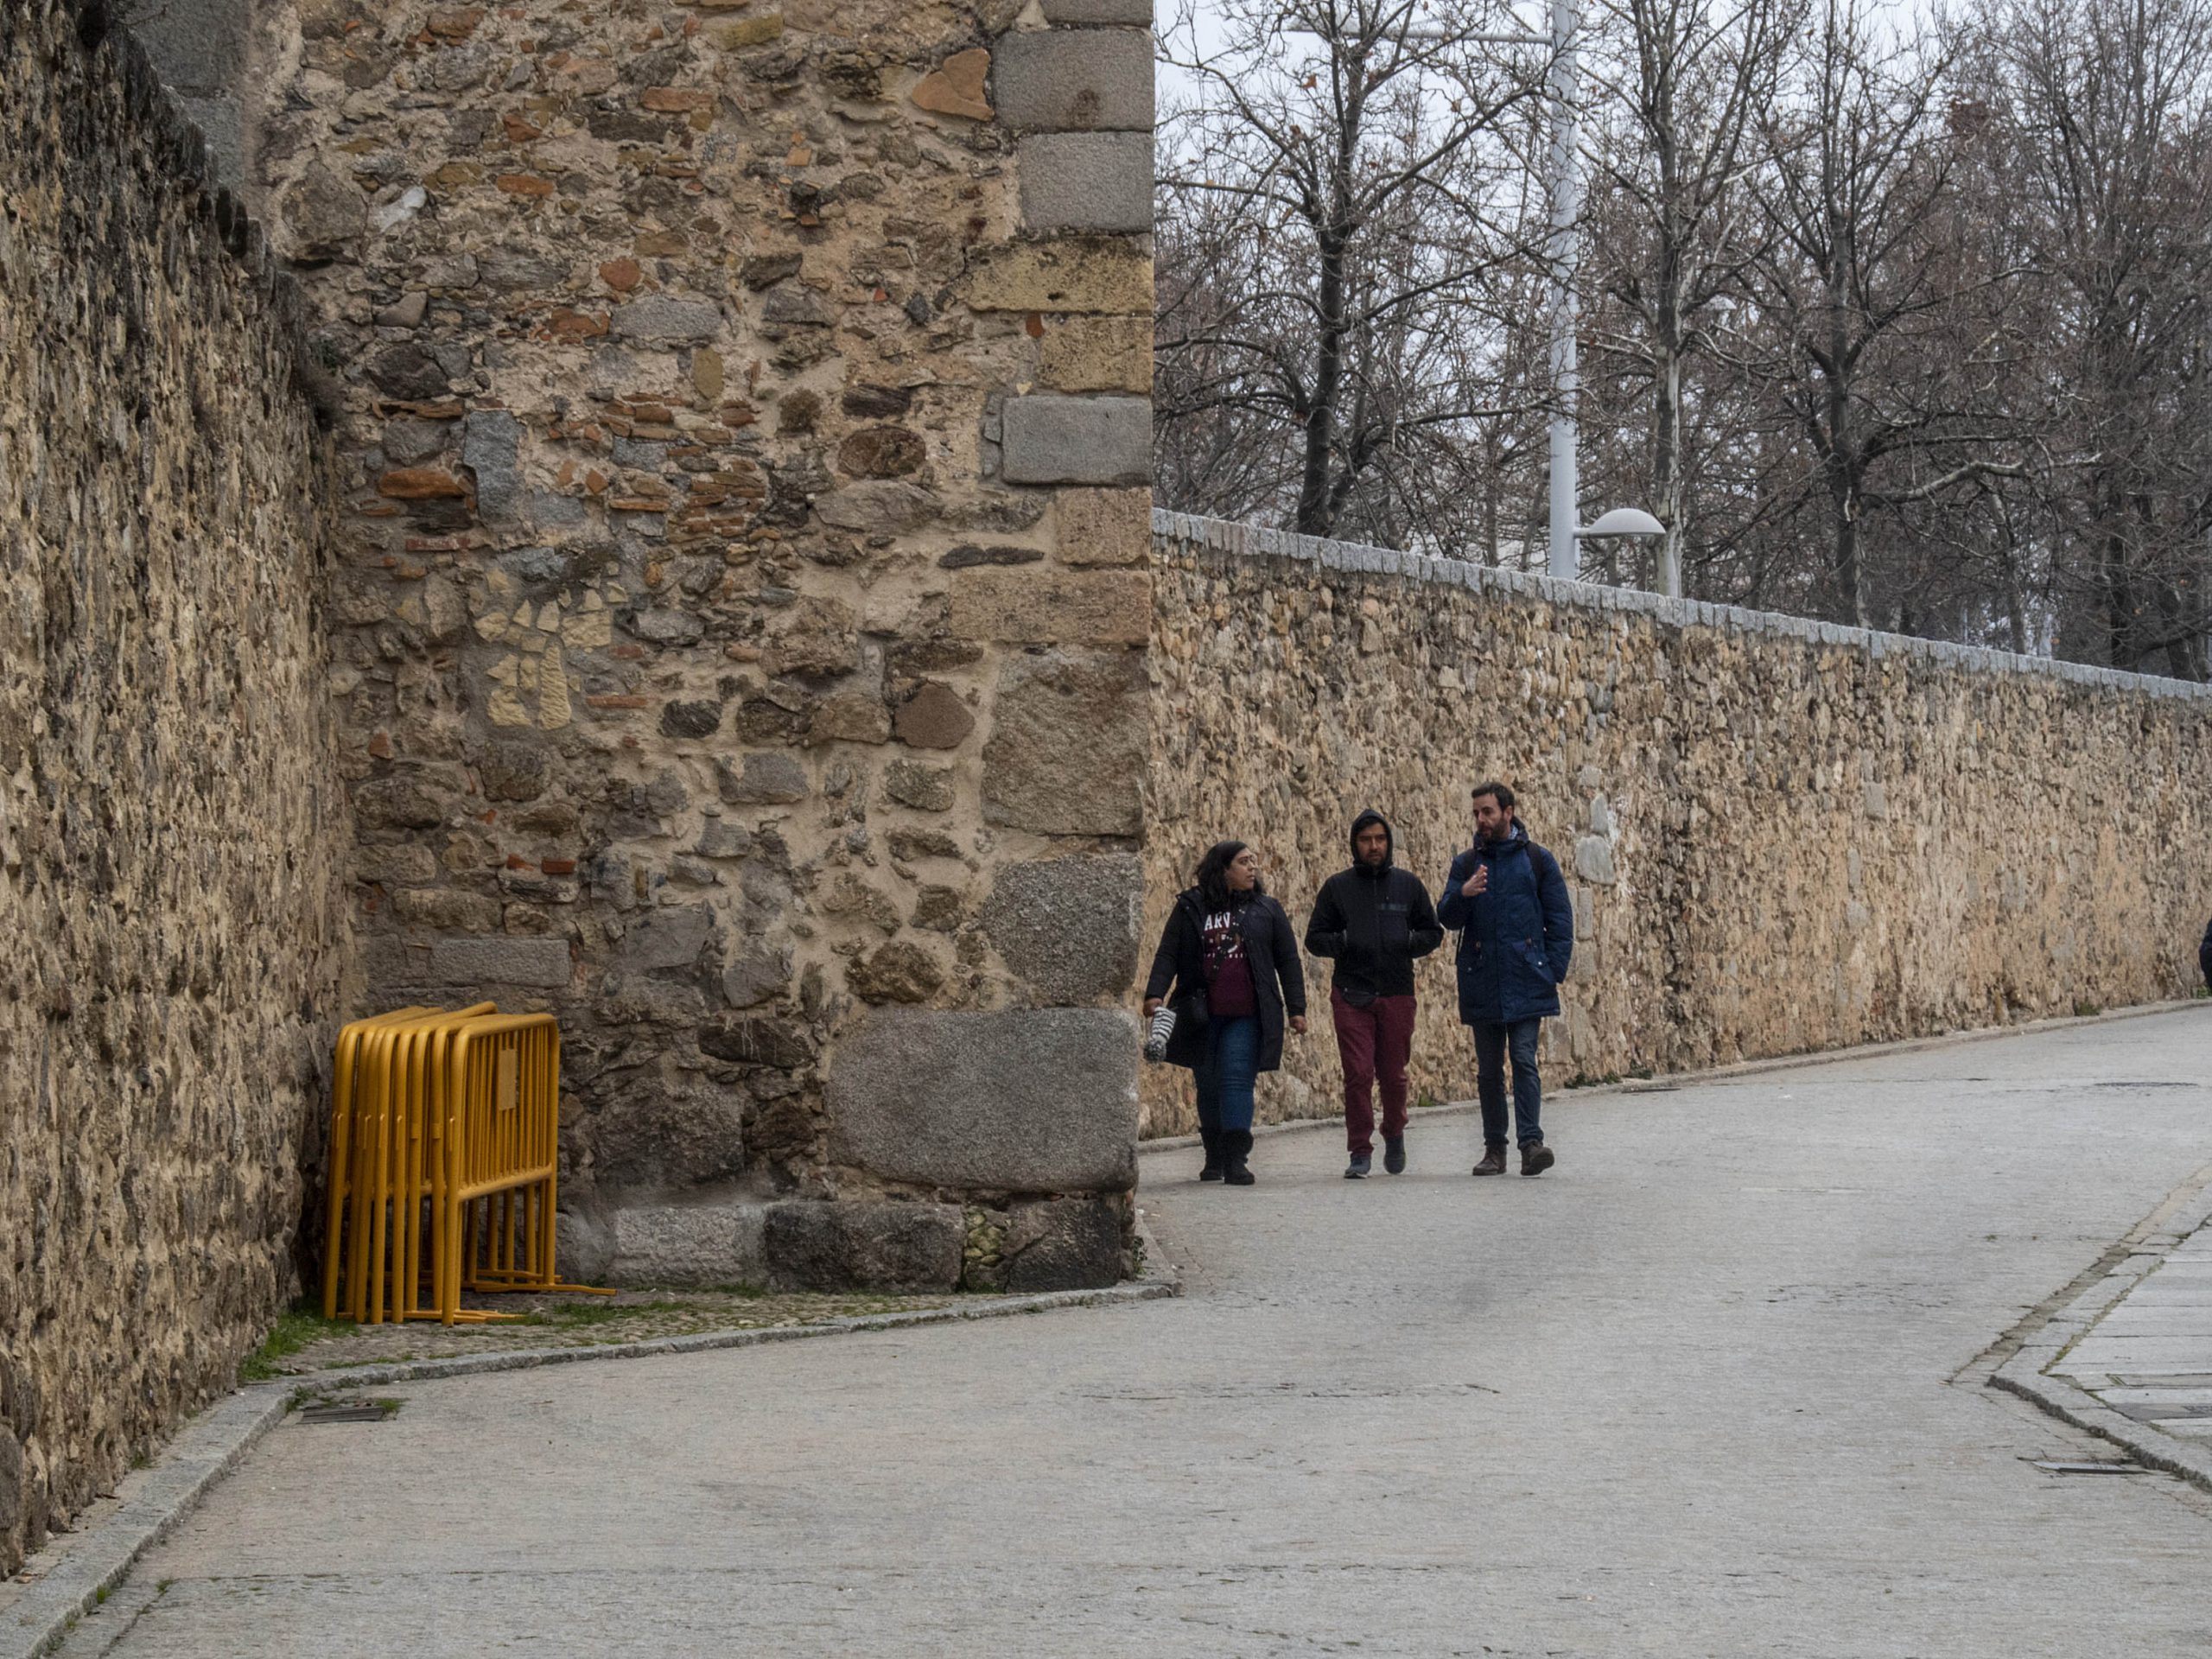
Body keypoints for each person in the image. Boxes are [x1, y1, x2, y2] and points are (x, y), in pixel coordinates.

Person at [1143, 841, 1308, 1185]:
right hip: (1200, 1012)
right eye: (1243, 862)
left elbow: (1288, 961)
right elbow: (1168, 952)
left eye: (1253, 862)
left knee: (1236, 1078)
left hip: (1247, 1013)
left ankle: (1236, 1157)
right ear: (1222, 869)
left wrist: (1297, 1009)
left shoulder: (1267, 910)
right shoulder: (1191, 907)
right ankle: (1214, 1154)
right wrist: (1155, 994)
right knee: (1207, 1084)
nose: (1252, 868)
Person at [1437, 781, 1573, 1178]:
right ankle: (1494, 1149)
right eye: (1476, 813)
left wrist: (1551, 969)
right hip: (1482, 977)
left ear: (1508, 812)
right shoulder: (1465, 865)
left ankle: (1531, 1144)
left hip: (1526, 976)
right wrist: (1463, 894)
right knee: (1488, 1070)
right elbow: (1446, 917)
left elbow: (1560, 919)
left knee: (1523, 1060)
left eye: (1488, 812)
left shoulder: (1537, 860)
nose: (1481, 819)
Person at [1305, 810, 1444, 1179]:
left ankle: (1394, 1132)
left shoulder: (1408, 886)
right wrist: (1345, 942)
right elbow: (1314, 938)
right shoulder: (1337, 888)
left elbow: (1433, 932)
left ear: (1389, 842)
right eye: (1366, 840)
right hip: (1351, 992)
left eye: (1379, 839)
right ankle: (1360, 1151)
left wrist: (1407, 942)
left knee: (1393, 1075)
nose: (1373, 846)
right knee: (1358, 1073)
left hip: (1397, 991)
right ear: (1355, 844)